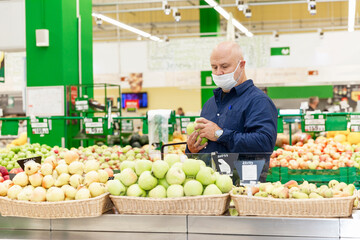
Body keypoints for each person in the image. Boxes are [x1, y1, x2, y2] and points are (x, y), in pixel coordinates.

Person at [186, 41, 277, 154]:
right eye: (214, 67)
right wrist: (191, 149)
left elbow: (264, 143)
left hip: (242, 171)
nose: (219, 72)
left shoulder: (258, 101)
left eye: (224, 66)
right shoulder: (210, 104)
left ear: (241, 65)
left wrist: (219, 134)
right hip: (211, 171)